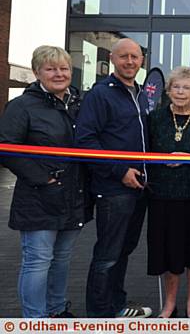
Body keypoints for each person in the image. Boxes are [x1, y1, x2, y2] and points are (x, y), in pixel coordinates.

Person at [0, 46, 85, 318]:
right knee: (38, 261)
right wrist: (46, 181)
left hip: (73, 195)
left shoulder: (79, 104)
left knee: (61, 260)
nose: (59, 74)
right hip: (39, 197)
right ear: (37, 73)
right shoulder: (21, 106)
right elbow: (6, 148)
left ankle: (57, 310)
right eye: (51, 68)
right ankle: (35, 320)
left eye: (64, 68)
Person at [75, 38, 152, 318]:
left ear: (141, 60)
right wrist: (120, 171)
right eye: (124, 57)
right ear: (112, 59)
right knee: (107, 255)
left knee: (123, 250)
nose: (130, 61)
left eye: (134, 56)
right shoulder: (100, 94)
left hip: (139, 189)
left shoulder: (142, 94)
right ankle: (99, 315)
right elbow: (85, 141)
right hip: (113, 189)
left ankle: (117, 306)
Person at [146, 66, 190, 318]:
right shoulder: (155, 118)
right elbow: (144, 154)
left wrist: (189, 158)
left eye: (186, 87)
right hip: (163, 196)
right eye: (176, 86)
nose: (180, 91)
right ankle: (170, 303)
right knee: (170, 253)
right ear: (168, 90)